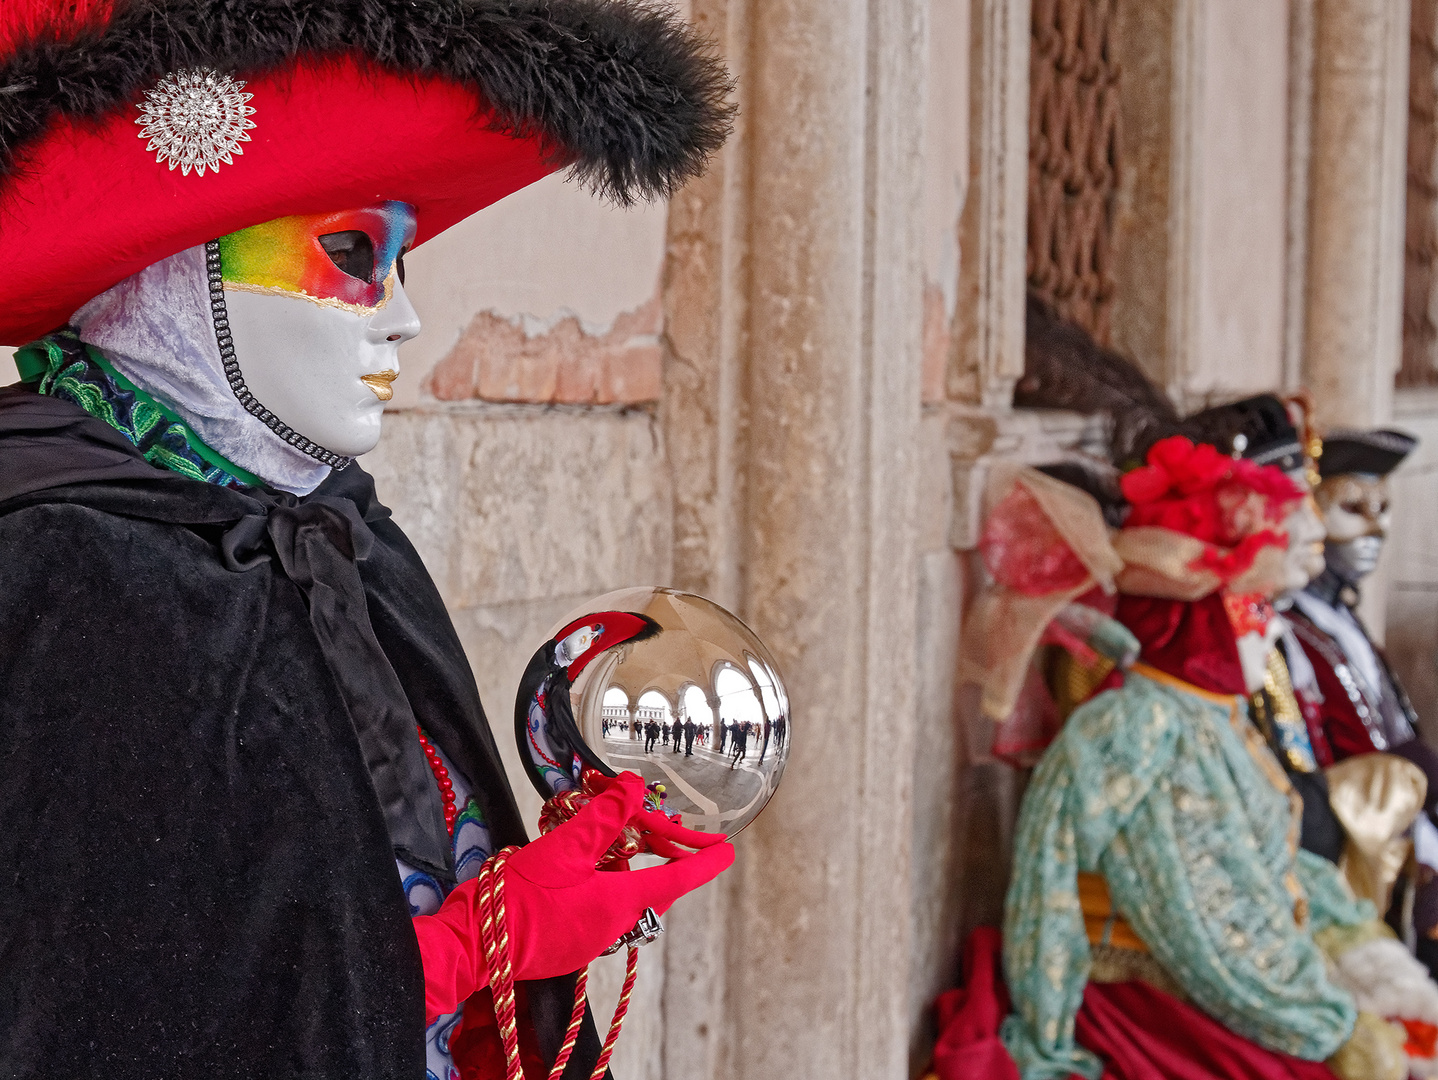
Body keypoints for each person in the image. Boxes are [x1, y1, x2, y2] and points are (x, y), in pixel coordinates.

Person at [0, 2, 736, 1077]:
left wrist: (541, 880)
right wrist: (487, 940)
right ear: (176, 275)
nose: (402, 321)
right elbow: (110, 1029)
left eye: (404, 265)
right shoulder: (66, 575)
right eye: (349, 255)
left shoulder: (335, 529)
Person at [1000, 437, 1438, 1080]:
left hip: (1248, 980)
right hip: (1156, 997)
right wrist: (1337, 1024)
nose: (1274, 627)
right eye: (1256, 607)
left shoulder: (1214, 717)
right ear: (1199, 617)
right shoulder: (1141, 728)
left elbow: (1281, 872)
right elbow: (1203, 922)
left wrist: (1374, 966)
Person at [1286, 427, 1438, 974]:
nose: (1376, 527)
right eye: (1352, 507)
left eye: (1383, 508)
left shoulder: (1341, 619)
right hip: (1351, 845)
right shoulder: (1289, 629)